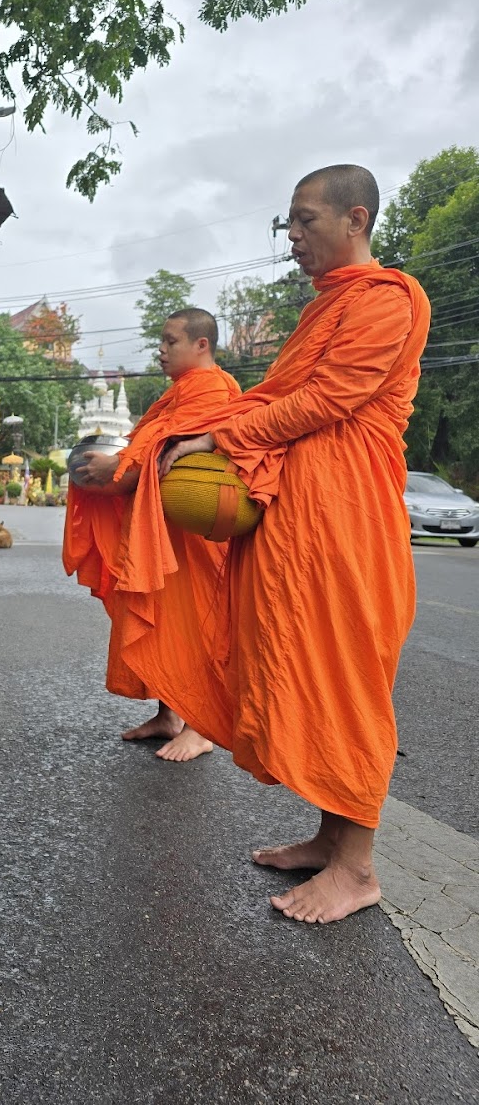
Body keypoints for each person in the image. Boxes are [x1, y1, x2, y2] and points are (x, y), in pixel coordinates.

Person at [157, 164, 430, 923]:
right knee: (300, 667)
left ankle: (359, 868)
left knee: (346, 678)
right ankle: (328, 837)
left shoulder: (387, 300)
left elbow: (328, 399)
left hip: (348, 518)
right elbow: (283, 396)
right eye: (289, 222)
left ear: (357, 218)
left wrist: (218, 431)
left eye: (306, 220)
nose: (294, 236)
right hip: (299, 516)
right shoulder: (324, 308)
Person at [63, 310, 241, 760]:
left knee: (195, 626)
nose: (160, 350)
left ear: (202, 345)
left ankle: (201, 727)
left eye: (170, 341)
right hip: (163, 529)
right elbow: (152, 445)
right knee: (163, 621)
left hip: (193, 535)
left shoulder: (214, 390)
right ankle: (170, 715)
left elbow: (164, 459)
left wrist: (115, 469)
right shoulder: (179, 393)